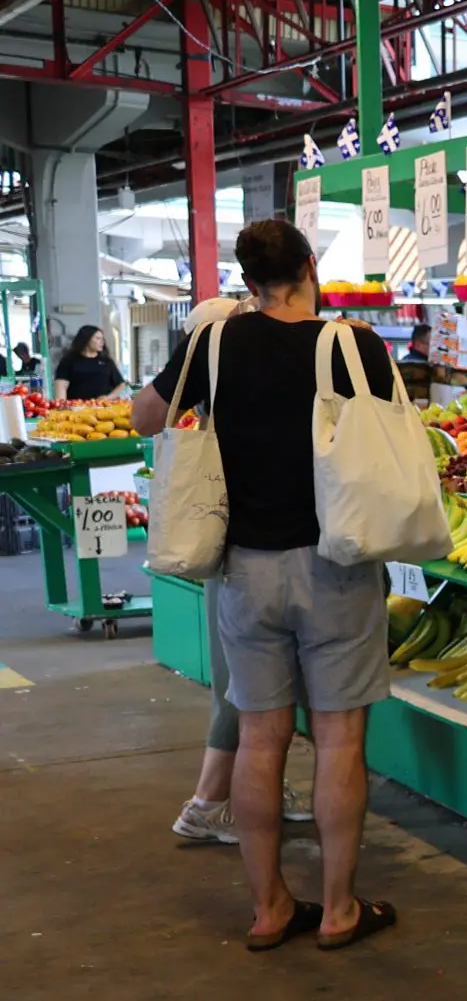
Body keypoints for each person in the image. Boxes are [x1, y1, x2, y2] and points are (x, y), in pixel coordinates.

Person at [132, 220, 402, 952]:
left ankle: (270, 906)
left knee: (259, 737)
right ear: (312, 266)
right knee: (341, 738)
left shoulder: (216, 341)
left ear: (247, 282)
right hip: (337, 563)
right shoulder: (353, 345)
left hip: (244, 567)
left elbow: (145, 416)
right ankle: (340, 907)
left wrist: (199, 342)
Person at [158, 292, 314, 846]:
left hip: (236, 551)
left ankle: (256, 793)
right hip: (240, 553)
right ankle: (205, 804)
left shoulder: (233, 391)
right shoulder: (225, 368)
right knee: (241, 692)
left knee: (253, 690)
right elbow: (146, 414)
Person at [53, 324, 127, 401]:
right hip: (77, 408)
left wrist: (109, 397)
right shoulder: (68, 361)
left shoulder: (106, 361)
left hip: (103, 408)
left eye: (102, 339)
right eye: (98, 338)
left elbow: (121, 385)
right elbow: (61, 387)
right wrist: (61, 406)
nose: (102, 342)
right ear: (86, 339)